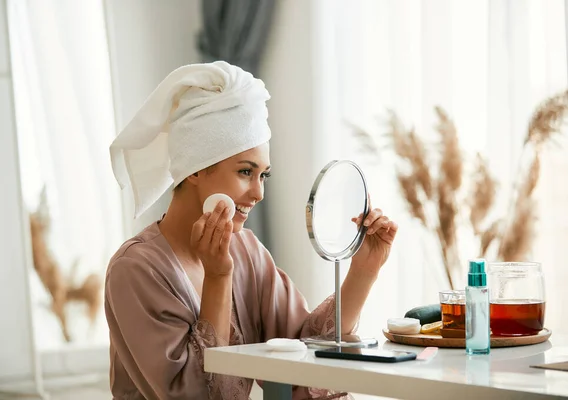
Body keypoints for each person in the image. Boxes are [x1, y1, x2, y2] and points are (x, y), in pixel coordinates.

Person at [105, 61, 398, 400]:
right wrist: (218, 277)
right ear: (196, 169)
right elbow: (195, 396)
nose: (259, 193)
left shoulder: (247, 250)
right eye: (245, 171)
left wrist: (364, 269)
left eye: (264, 175)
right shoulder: (135, 270)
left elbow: (303, 355)